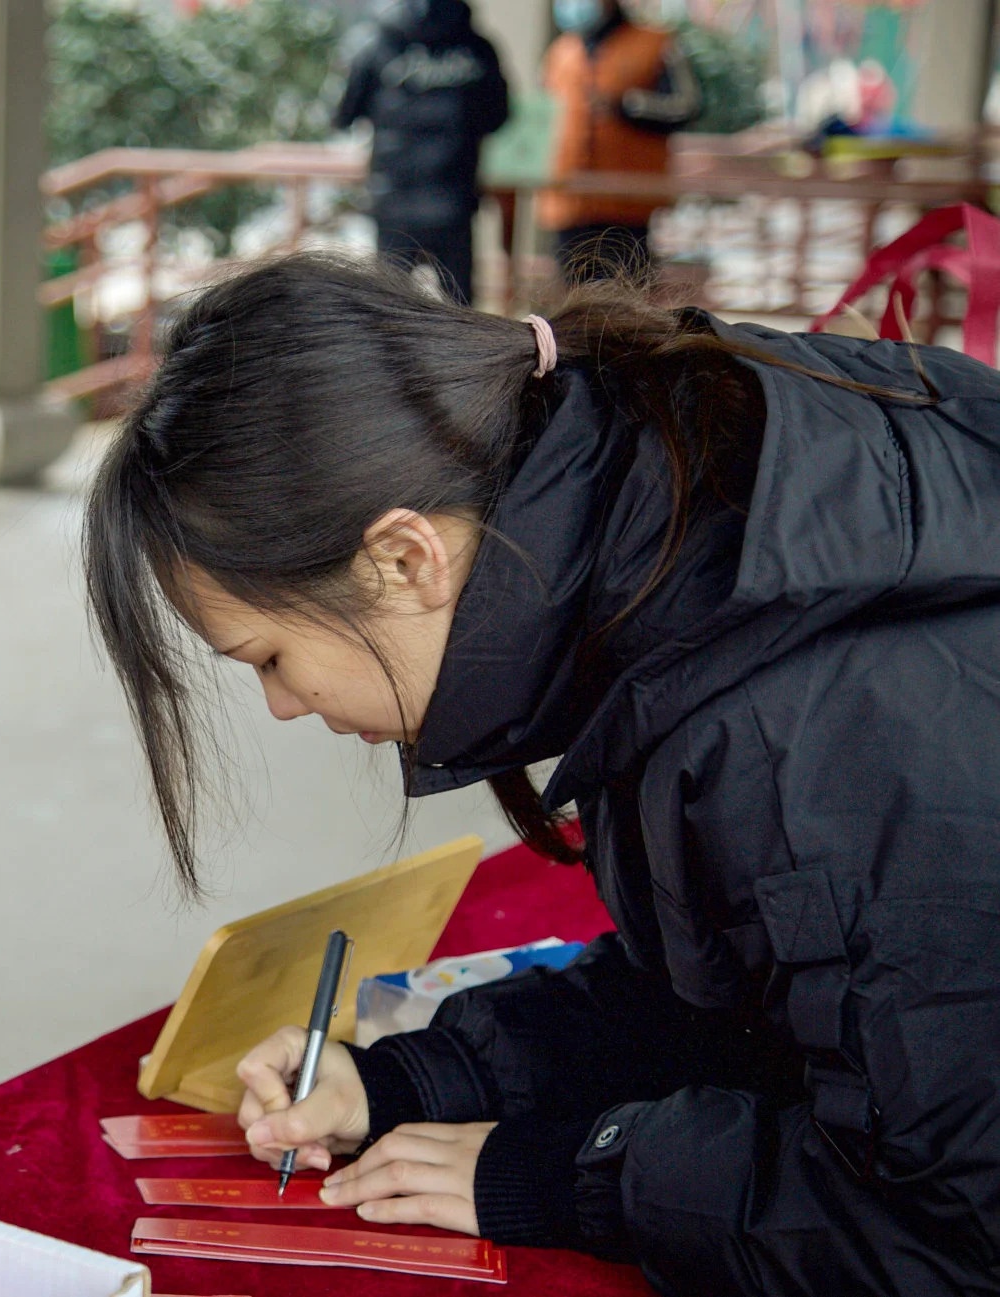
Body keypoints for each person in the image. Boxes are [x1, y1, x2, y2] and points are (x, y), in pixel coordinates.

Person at [82, 252, 1000, 1295]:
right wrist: (410, 1079)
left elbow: (949, 1229)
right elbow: (737, 984)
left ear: (404, 557)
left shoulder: (803, 740)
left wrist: (582, 1176)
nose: (284, 707)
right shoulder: (678, 544)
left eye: (270, 660)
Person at [334, 0, 510, 306]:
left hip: (393, 202)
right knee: (458, 313)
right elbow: (499, 115)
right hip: (454, 202)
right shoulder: (477, 49)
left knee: (388, 312)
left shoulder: (377, 45)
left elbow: (345, 114)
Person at [541, 0, 700, 284]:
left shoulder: (657, 43)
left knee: (623, 307)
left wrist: (626, 106)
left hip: (627, 208)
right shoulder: (562, 51)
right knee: (572, 310)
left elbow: (687, 105)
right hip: (569, 205)